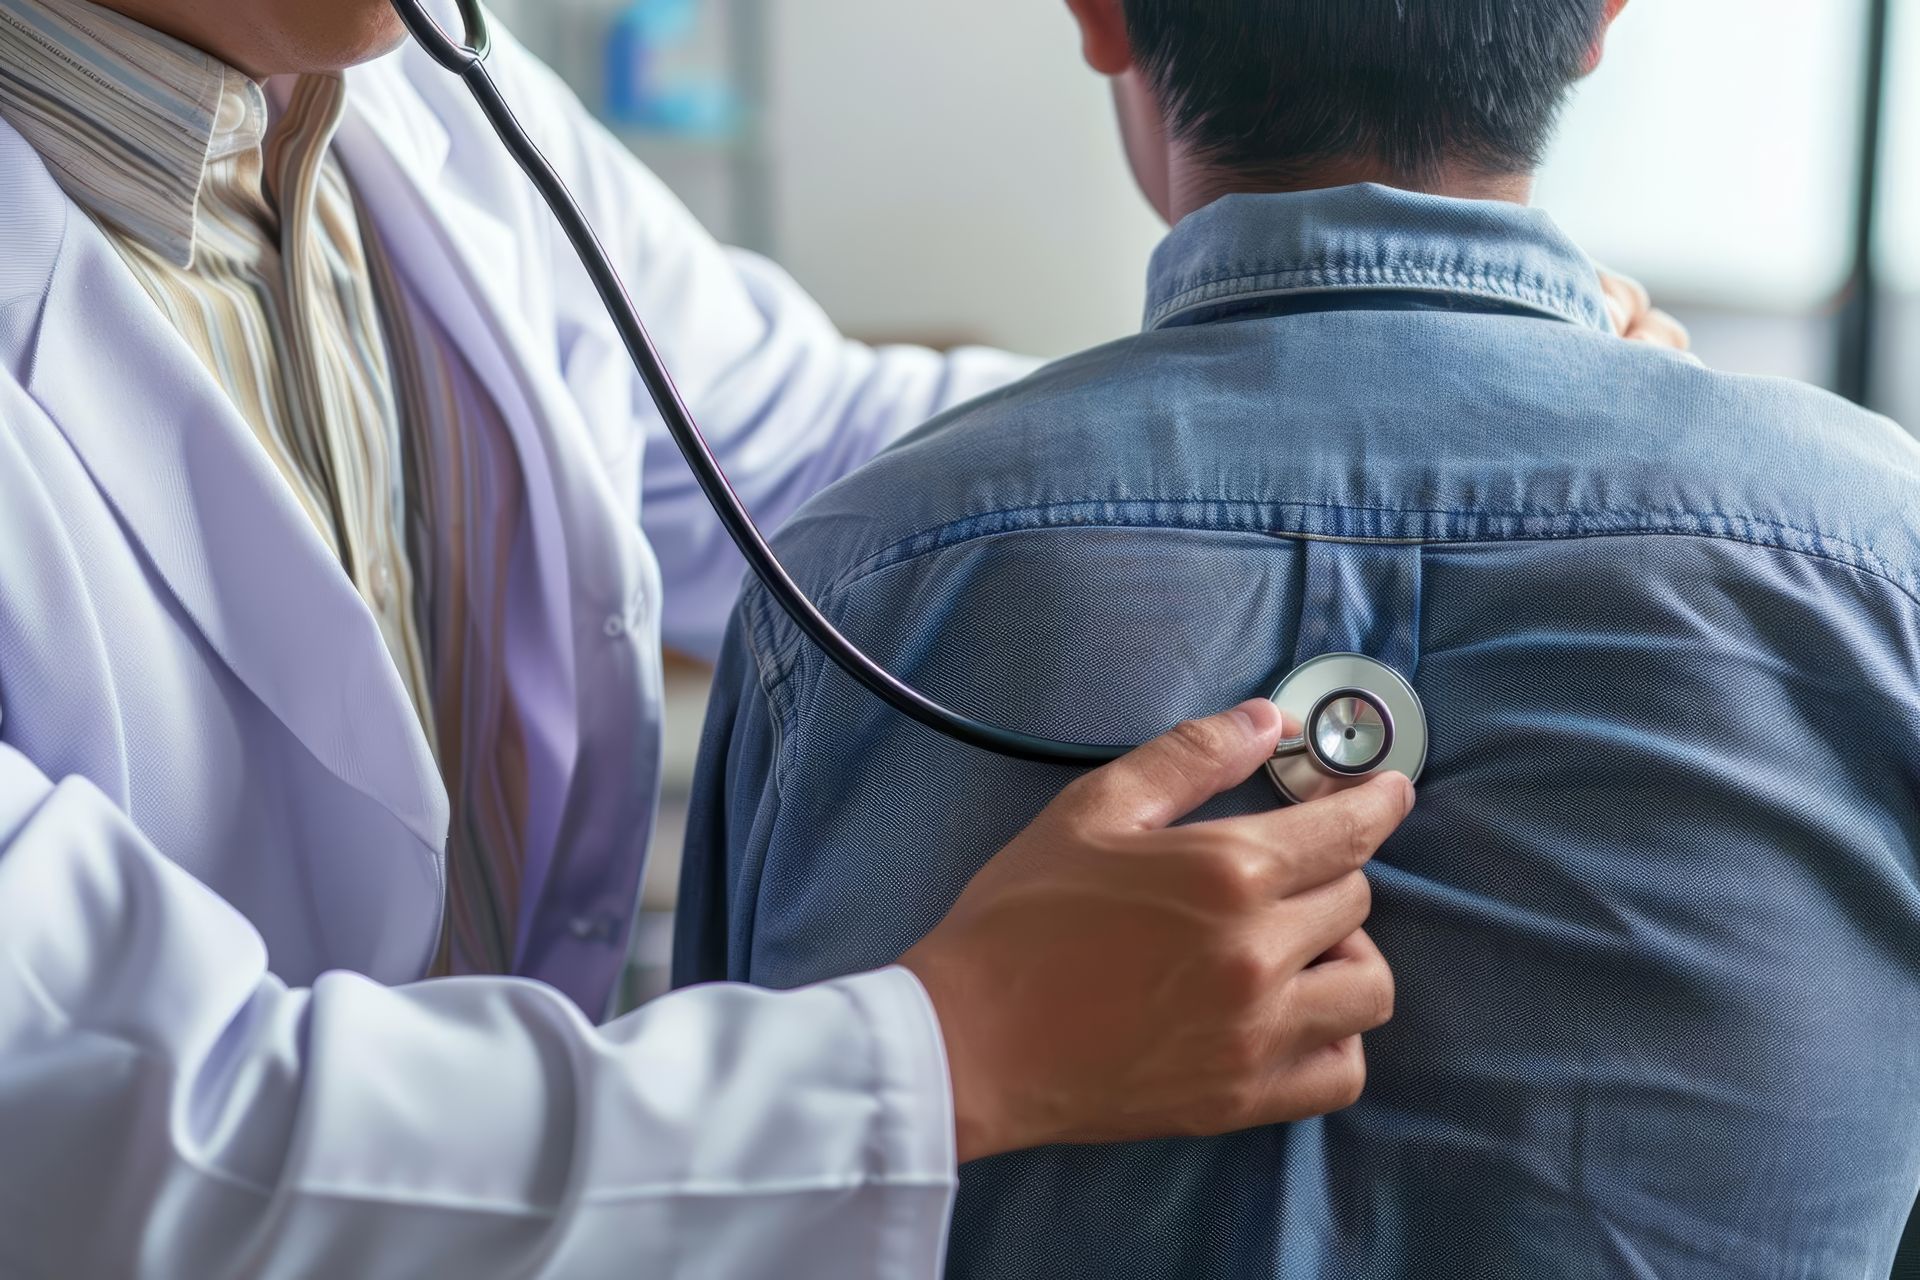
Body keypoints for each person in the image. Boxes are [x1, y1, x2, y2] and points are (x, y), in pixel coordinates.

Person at [0, 0, 1445, 1273]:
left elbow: (833, 460)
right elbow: (134, 1135)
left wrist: (1417, 399)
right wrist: (963, 1048)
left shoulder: (428, 95)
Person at [674, 0, 1920, 1275]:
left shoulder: (844, 582)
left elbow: (718, 1215)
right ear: (1600, 19)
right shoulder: (1882, 557)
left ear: (1101, 17)